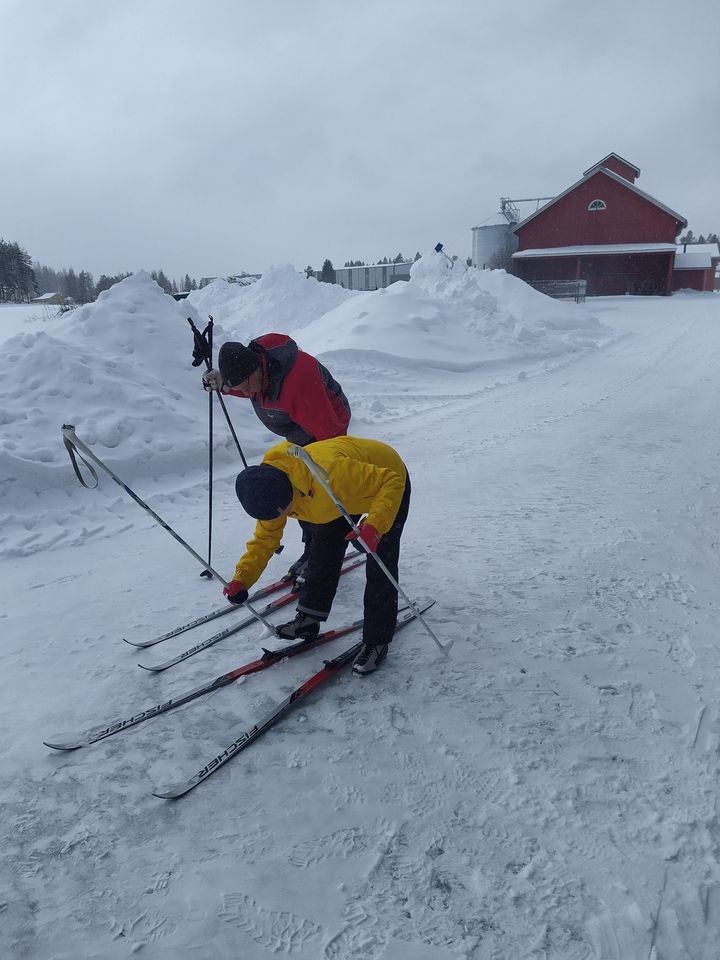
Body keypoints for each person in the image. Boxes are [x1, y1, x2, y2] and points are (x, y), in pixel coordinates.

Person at [223, 435, 411, 675]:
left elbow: (391, 481)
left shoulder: (331, 474)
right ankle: (309, 619)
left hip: (385, 482)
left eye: (286, 510)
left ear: (289, 490)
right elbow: (265, 539)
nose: (286, 516)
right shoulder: (267, 489)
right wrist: (242, 578)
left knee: (379, 560)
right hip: (332, 500)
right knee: (322, 548)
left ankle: (378, 640)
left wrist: (375, 526)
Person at [203, 334, 352, 583]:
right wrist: (224, 385)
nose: (248, 393)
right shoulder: (258, 371)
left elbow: (331, 434)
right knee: (294, 492)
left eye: (247, 387)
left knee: (315, 491)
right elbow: (249, 386)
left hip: (326, 428)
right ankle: (312, 548)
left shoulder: (299, 381)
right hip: (298, 430)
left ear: (256, 368)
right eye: (241, 389)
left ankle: (324, 550)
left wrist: (329, 471)